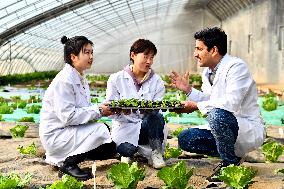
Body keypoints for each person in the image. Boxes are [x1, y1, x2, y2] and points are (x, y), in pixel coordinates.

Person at [170, 27, 265, 182]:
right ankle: (234, 155)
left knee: (217, 115)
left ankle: (229, 165)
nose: (195, 54)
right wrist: (188, 90)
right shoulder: (208, 72)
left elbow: (230, 103)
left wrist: (194, 106)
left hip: (245, 127)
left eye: (199, 49)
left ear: (213, 50)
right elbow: (209, 98)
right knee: (186, 139)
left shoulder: (236, 67)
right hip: (224, 127)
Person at [39, 36, 116, 181]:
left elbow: (83, 109)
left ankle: (65, 157)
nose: (91, 56)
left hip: (67, 131)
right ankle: (68, 165)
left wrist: (101, 109)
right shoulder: (64, 81)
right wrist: (99, 111)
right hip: (57, 135)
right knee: (100, 130)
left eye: (92, 52)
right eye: (86, 52)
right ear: (73, 57)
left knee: (109, 147)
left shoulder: (79, 76)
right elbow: (68, 117)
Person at [105, 39, 167, 169]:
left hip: (147, 129)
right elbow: (109, 110)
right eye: (145, 56)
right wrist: (120, 110)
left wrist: (150, 110)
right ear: (133, 55)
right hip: (125, 127)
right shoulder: (116, 79)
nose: (149, 61)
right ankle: (128, 152)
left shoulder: (157, 82)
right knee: (126, 150)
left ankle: (156, 152)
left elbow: (157, 113)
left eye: (152, 57)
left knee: (157, 117)